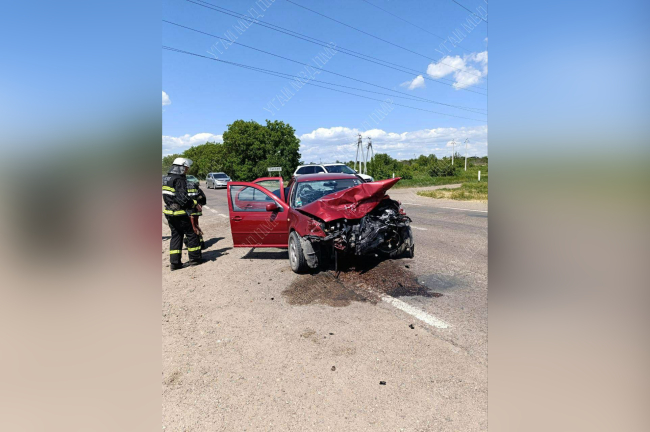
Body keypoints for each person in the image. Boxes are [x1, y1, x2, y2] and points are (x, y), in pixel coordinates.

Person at [162, 158, 202, 270]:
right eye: (186, 168)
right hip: (180, 213)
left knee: (176, 235)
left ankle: (175, 263)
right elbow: (182, 199)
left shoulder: (167, 178)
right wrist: (194, 203)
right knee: (191, 234)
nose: (186, 171)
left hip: (169, 213)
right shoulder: (179, 179)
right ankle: (195, 259)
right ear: (181, 167)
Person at [185, 178, 207, 250]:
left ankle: (191, 243)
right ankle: (201, 243)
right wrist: (200, 204)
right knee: (196, 225)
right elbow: (203, 197)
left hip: (188, 211)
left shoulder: (182, 186)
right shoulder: (194, 185)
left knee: (190, 227)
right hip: (196, 210)